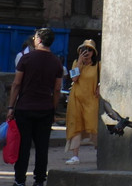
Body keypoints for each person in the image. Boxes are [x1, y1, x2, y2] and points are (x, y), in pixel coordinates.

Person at [7, 27, 64, 186]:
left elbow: (16, 84)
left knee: (23, 147)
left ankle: (20, 180)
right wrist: (53, 109)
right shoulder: (56, 62)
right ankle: (39, 181)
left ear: (38, 40)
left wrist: (11, 107)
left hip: (24, 108)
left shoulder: (26, 59)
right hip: (45, 109)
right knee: (42, 147)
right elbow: (57, 89)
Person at [64, 39, 100, 165]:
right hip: (76, 100)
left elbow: (104, 79)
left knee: (93, 126)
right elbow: (74, 78)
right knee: (76, 126)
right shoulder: (76, 63)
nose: (87, 52)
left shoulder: (98, 65)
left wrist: (99, 86)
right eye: (84, 49)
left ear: (93, 53)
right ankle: (75, 155)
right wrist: (80, 62)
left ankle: (99, 152)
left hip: (91, 100)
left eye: (90, 50)